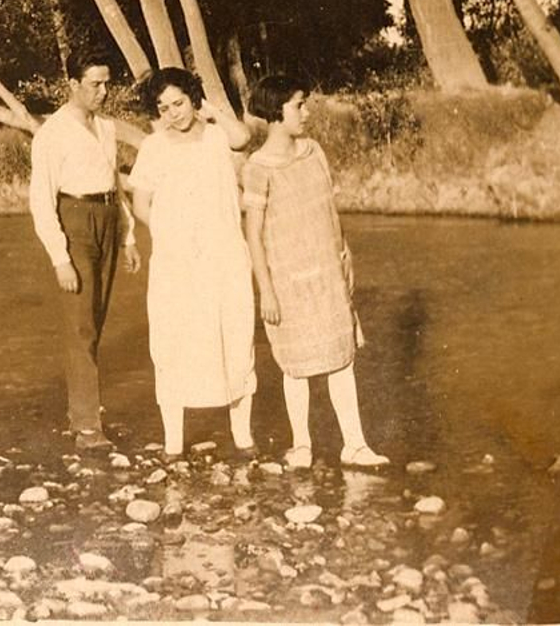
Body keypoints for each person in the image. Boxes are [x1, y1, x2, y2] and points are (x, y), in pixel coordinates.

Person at [241, 74, 388, 470]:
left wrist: (345, 251)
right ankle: (301, 445)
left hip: (327, 272)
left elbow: (330, 209)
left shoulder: (314, 151)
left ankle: (354, 444)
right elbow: (253, 234)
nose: (306, 112)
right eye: (298, 105)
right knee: (296, 363)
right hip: (288, 281)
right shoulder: (258, 167)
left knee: (342, 356)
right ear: (275, 112)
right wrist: (266, 290)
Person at [128, 68, 257, 458]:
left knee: (234, 336)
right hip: (177, 261)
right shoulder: (154, 147)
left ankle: (243, 436)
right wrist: (173, 235)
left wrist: (214, 112)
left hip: (224, 254)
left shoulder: (217, 136)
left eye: (179, 103)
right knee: (174, 342)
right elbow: (141, 204)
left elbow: (243, 138)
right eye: (163, 108)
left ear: (193, 98)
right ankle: (173, 441)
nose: (173, 114)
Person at [28, 50, 141, 451]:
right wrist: (60, 258)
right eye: (95, 84)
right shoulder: (52, 133)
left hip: (108, 217)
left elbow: (114, 183)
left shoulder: (106, 127)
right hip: (74, 220)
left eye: (107, 83)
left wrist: (128, 235)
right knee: (81, 324)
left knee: (96, 318)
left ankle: (81, 410)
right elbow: (41, 199)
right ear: (73, 84)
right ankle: (87, 425)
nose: (103, 91)